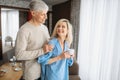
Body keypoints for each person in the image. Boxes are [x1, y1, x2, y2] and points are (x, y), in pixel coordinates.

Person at [15, 0, 53, 80]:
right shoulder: (24, 30)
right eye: (43, 14)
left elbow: (48, 46)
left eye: (46, 14)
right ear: (33, 13)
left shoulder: (45, 28)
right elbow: (19, 55)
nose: (46, 17)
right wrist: (42, 51)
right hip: (32, 75)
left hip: (46, 70)